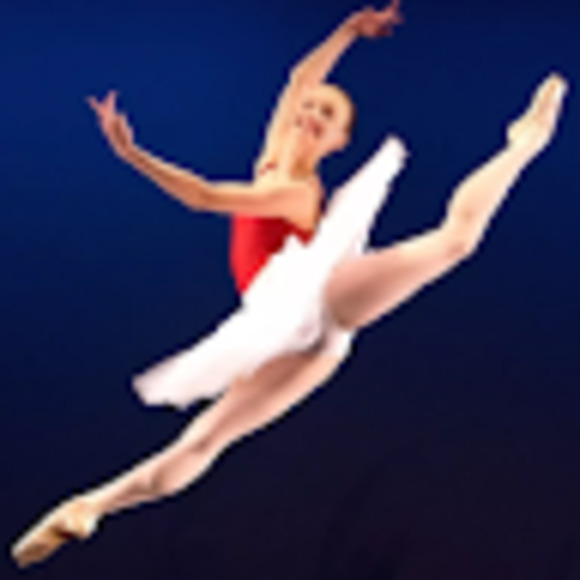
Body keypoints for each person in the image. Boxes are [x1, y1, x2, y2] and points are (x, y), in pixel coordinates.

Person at [12, 0, 568, 567]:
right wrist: (348, 31)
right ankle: (88, 506)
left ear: (338, 142)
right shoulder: (271, 163)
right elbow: (301, 78)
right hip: (281, 325)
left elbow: (204, 196)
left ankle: (524, 141)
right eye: (308, 108)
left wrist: (132, 153)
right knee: (203, 441)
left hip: (313, 297)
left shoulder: (295, 192)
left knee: (455, 242)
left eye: (327, 115)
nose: (310, 114)